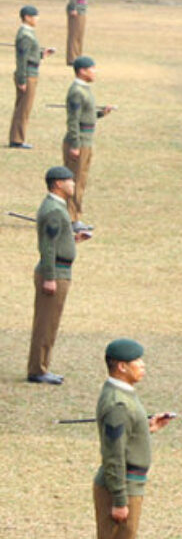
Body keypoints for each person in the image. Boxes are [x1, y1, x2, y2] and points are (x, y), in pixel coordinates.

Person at [87, 338, 177, 539]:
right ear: (122, 367)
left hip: (128, 485)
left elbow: (126, 435)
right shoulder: (117, 403)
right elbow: (113, 456)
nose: (143, 367)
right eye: (138, 363)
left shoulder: (122, 395)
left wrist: (148, 427)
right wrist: (119, 499)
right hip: (122, 487)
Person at [29, 165, 87, 385]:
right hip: (55, 272)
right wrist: (50, 277)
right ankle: (38, 369)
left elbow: (57, 240)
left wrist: (73, 240)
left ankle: (41, 366)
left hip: (60, 270)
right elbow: (48, 246)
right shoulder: (54, 209)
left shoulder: (57, 206)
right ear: (58, 184)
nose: (73, 184)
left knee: (49, 322)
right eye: (69, 181)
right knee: (46, 323)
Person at [62, 55, 112, 233]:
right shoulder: (77, 91)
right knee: (74, 181)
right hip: (79, 142)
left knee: (80, 180)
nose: (95, 72)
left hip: (86, 141)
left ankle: (74, 216)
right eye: (92, 68)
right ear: (82, 71)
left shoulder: (84, 89)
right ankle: (71, 218)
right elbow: (73, 120)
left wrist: (101, 114)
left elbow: (85, 116)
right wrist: (75, 145)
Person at [11, 5, 54, 148]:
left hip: (31, 72)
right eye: (35, 16)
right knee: (23, 109)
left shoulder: (29, 33)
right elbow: (22, 60)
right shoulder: (25, 35)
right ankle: (17, 139)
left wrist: (42, 54)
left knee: (23, 108)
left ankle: (17, 137)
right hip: (28, 75)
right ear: (27, 17)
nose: (37, 19)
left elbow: (30, 55)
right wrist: (22, 80)